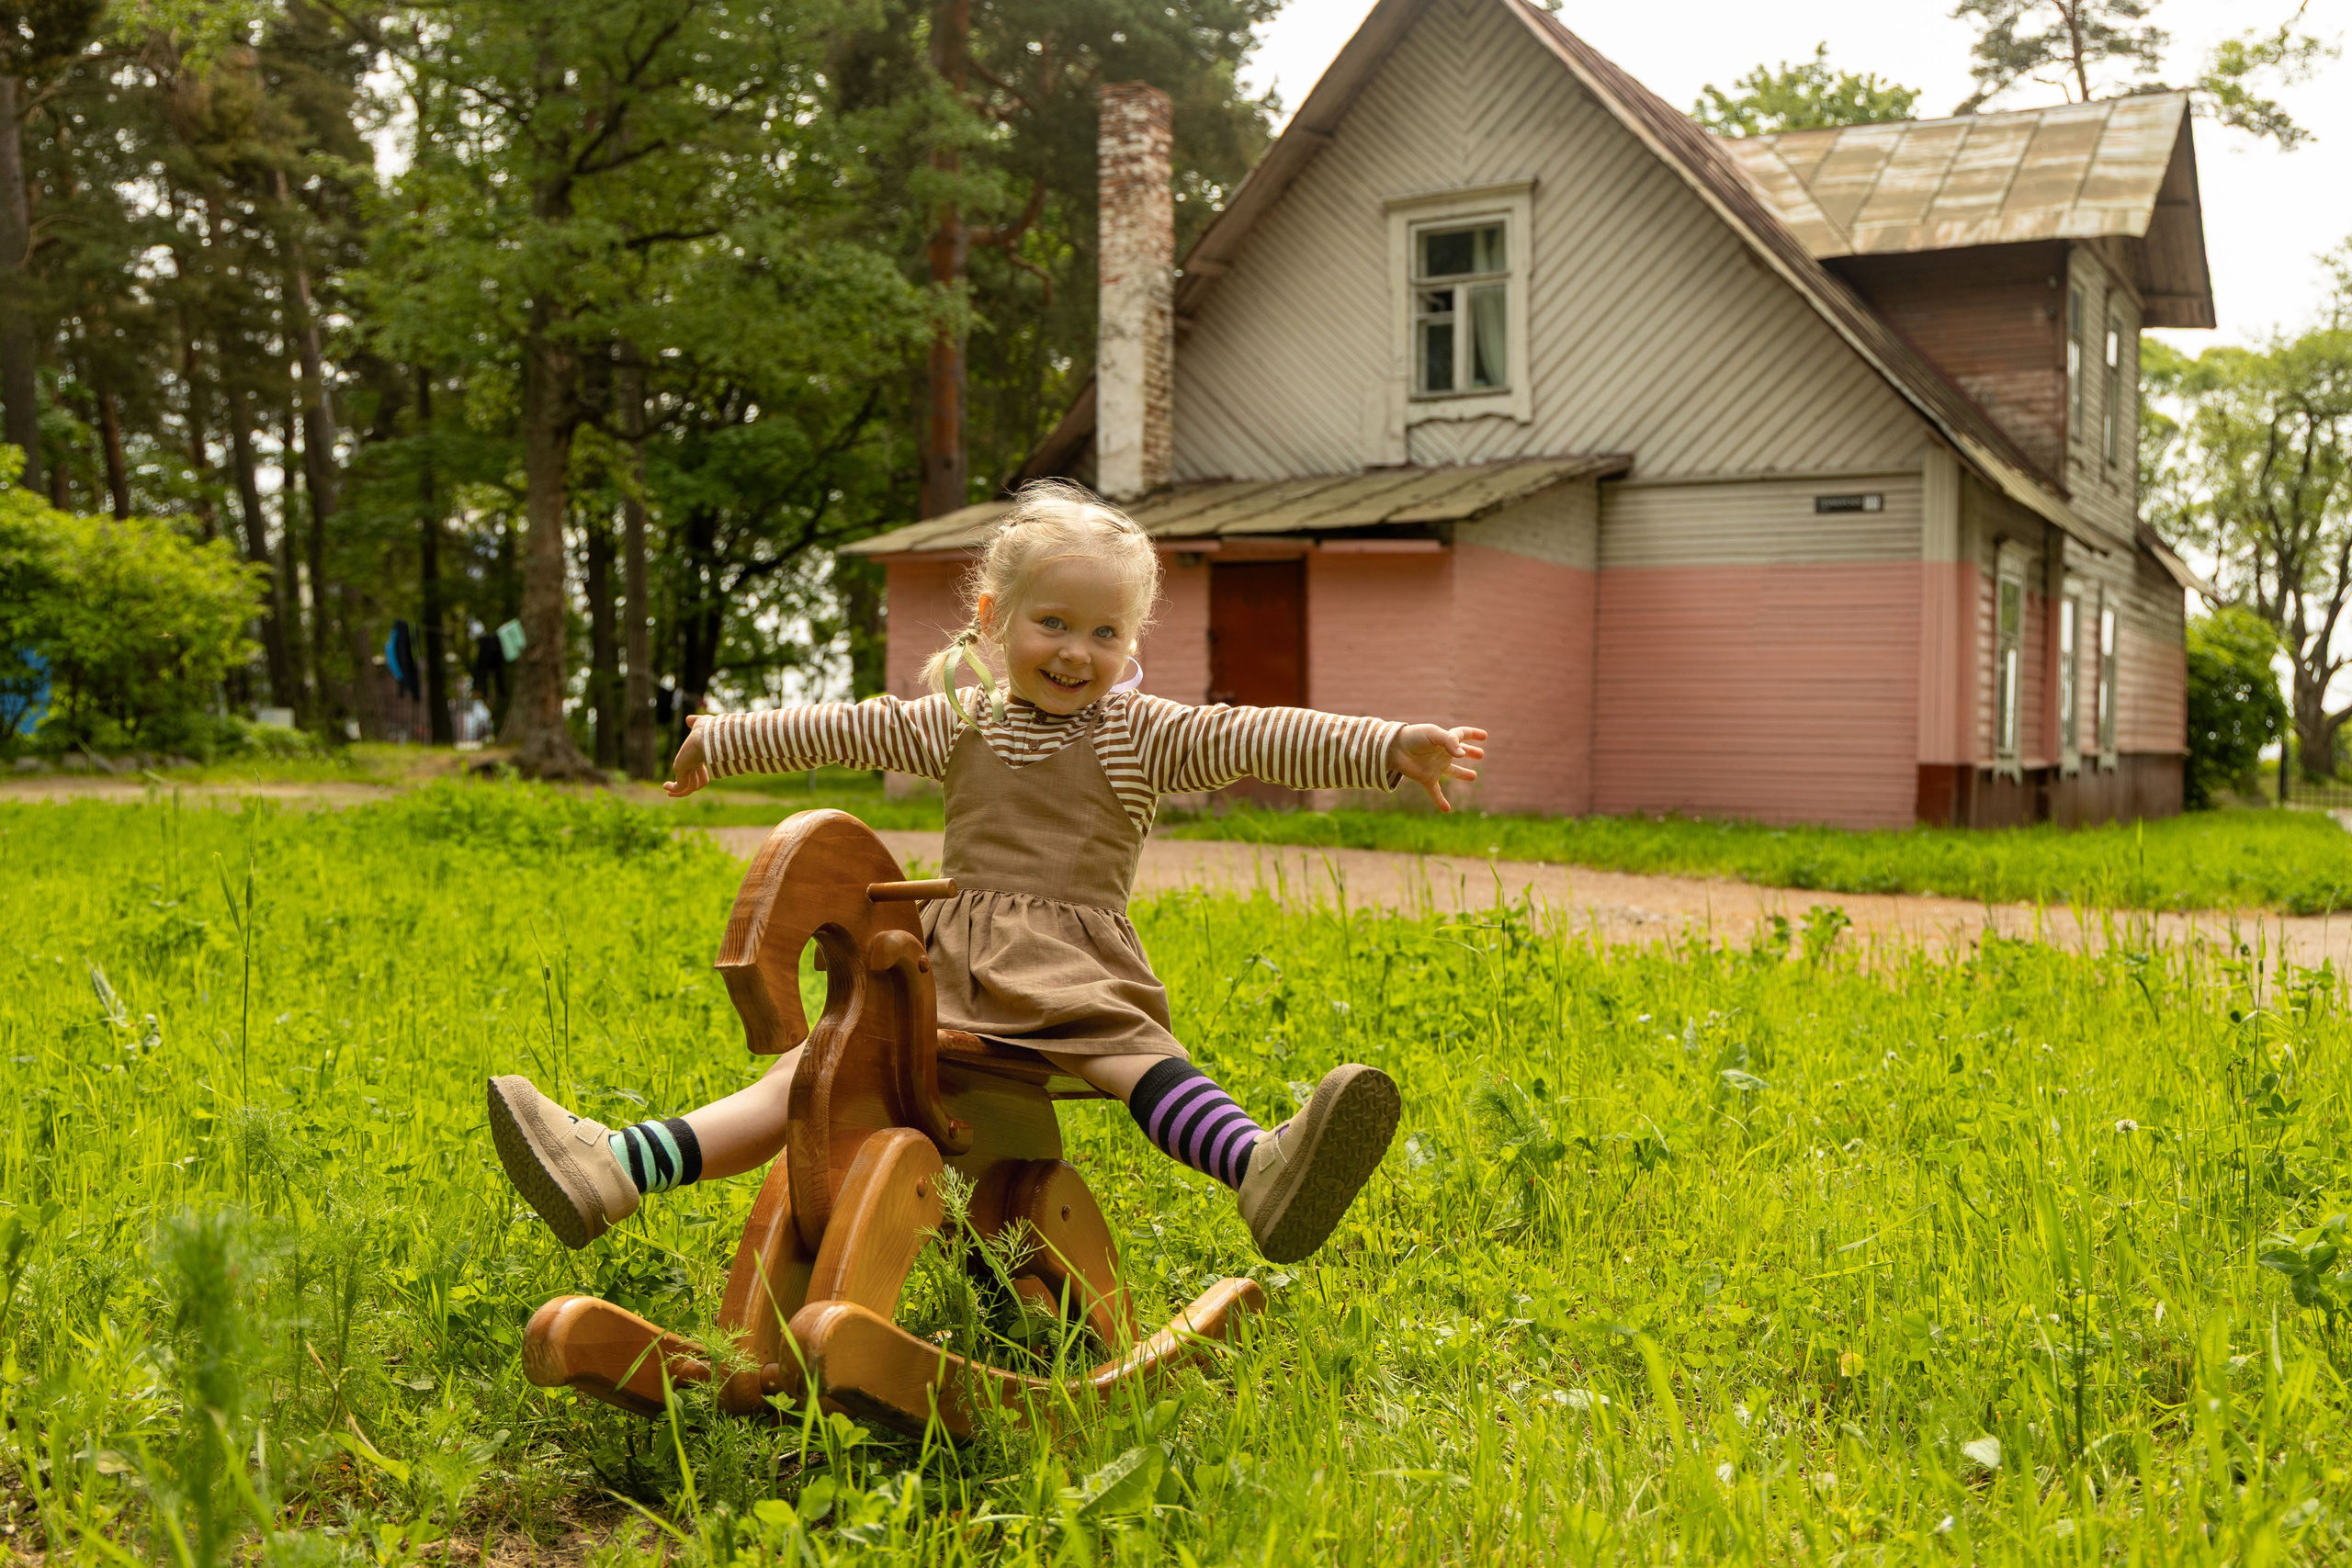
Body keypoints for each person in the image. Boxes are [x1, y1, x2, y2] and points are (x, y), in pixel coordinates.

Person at [487, 480, 1487, 1265]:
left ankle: (1258, 1168)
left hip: (1069, 970)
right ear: (993, 616)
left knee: (1132, 1061)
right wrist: (727, 741)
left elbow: (1256, 736)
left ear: (1130, 645)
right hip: (938, 962)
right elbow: (850, 725)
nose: (1076, 652)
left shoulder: (1143, 733)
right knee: (810, 1076)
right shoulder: (962, 722)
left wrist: (1391, 746)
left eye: (1105, 634)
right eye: (1053, 623)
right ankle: (616, 1167)